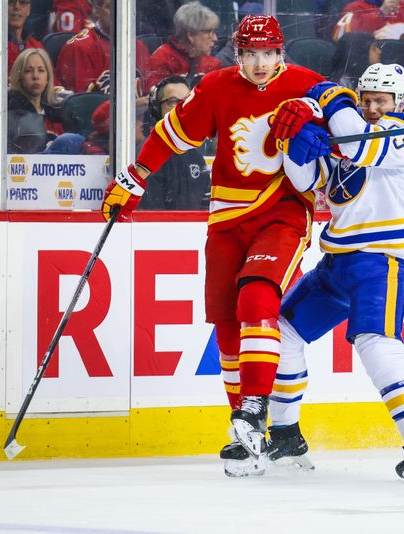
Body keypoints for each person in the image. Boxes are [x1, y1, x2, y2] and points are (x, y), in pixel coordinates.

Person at [100, 15, 325, 477]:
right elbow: (172, 133)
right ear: (237, 54)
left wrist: (324, 120)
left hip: (283, 210)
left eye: (268, 54)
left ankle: (253, 408)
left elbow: (349, 117)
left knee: (256, 296)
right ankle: (246, 435)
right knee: (226, 323)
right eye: (250, 54)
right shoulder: (219, 86)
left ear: (281, 53)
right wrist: (136, 176)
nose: (260, 64)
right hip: (225, 217)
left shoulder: (309, 84)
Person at [266, 63, 404, 483]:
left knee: (376, 342)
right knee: (283, 330)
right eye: (365, 98)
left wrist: (331, 99)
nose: (371, 106)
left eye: (381, 100)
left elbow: (362, 149)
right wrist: (296, 144)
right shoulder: (347, 135)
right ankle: (284, 436)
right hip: (337, 263)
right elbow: (305, 180)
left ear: (400, 103)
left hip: (383, 260)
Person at [138, 76, 210, 210]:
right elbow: (148, 217)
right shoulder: (147, 156)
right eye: (172, 102)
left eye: (186, 101)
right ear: (156, 109)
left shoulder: (196, 157)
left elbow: (206, 208)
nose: (180, 108)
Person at [56, 0, 150, 95]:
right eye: (111, 7)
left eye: (124, 8)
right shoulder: (80, 47)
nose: (119, 12)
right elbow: (83, 103)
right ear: (97, 11)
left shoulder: (139, 47)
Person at [148, 2, 223, 89]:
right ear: (190, 35)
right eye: (209, 32)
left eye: (214, 32)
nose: (215, 39)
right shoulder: (163, 59)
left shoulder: (213, 64)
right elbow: (156, 99)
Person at [8, 48, 65, 145]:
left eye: (41, 70)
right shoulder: (10, 111)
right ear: (19, 77)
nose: (35, 76)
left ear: (48, 77)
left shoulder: (57, 111)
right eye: (28, 71)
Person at [332, 0, 404, 43]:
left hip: (400, 65)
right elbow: (343, 38)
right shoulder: (354, 8)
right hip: (368, 67)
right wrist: (381, 13)